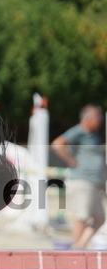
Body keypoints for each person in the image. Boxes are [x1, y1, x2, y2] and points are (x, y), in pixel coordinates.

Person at [51, 105, 106, 249]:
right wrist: (70, 160)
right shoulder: (79, 131)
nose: (101, 120)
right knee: (82, 216)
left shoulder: (93, 135)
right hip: (82, 181)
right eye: (99, 117)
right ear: (88, 118)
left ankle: (80, 245)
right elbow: (57, 144)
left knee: (100, 218)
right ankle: (77, 250)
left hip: (94, 183)